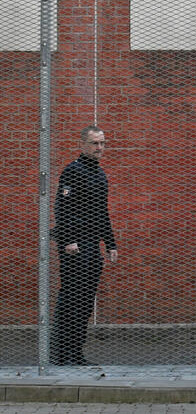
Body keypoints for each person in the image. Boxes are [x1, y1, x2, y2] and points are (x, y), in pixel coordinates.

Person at [51, 126, 119, 366]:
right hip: (75, 246)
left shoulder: (99, 174)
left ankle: (75, 353)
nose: (99, 148)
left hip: (92, 244)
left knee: (86, 299)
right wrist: (69, 240)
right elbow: (62, 207)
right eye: (94, 143)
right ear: (83, 144)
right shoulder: (73, 171)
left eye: (102, 143)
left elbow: (101, 212)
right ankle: (60, 354)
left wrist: (110, 243)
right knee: (72, 297)